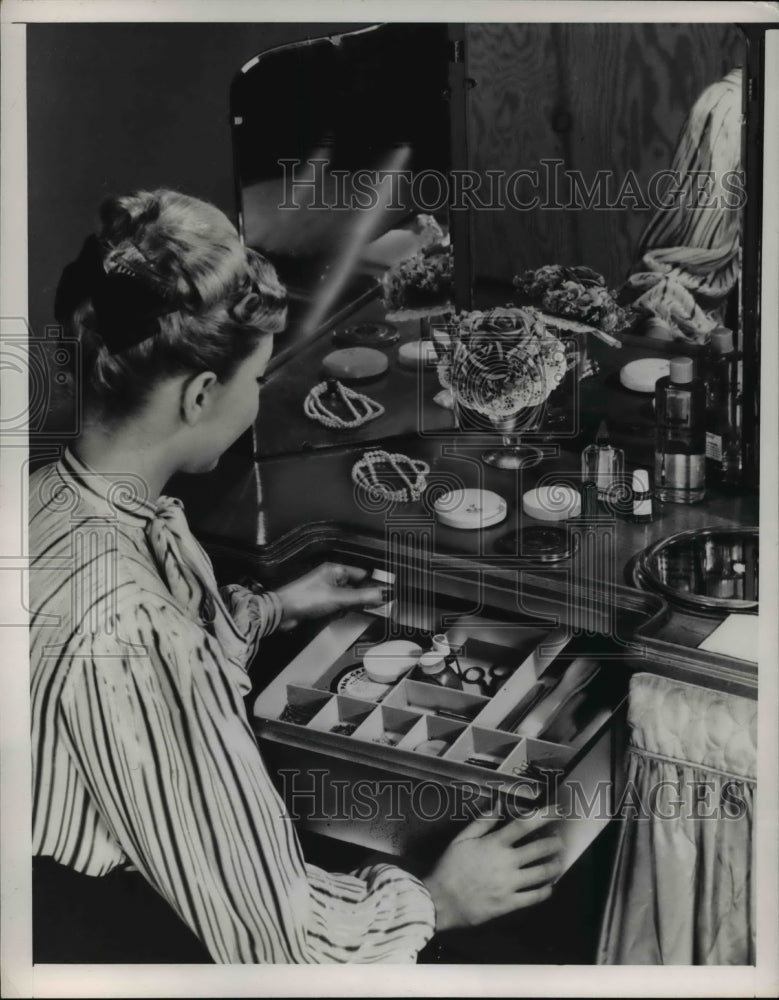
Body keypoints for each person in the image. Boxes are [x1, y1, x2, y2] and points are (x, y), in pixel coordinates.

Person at [30, 189, 563, 964]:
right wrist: (438, 901)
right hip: (107, 939)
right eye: (255, 380)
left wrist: (274, 606)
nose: (258, 396)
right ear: (201, 395)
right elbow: (277, 941)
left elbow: (127, 672)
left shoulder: (45, 498)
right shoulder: (134, 630)